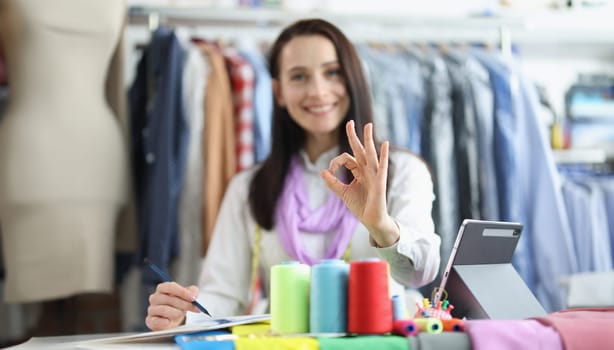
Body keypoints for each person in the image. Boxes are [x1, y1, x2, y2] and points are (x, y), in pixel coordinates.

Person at [146, 18, 441, 331]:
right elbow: (224, 294)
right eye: (299, 76)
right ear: (278, 92)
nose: (317, 91)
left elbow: (419, 273)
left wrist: (381, 226)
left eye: (332, 73)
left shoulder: (402, 171)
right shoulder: (248, 187)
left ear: (354, 79)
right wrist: (184, 314)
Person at [0, 0, 128, 306]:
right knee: (35, 305)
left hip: (99, 161)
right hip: (32, 159)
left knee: (94, 306)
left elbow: (117, 89)